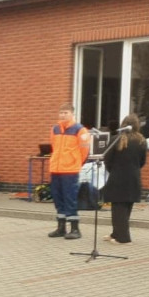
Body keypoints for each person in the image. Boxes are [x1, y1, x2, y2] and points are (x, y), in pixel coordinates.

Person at [47, 102, 90, 239]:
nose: (63, 115)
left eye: (66, 112)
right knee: (57, 197)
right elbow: (54, 146)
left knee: (70, 198)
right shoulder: (55, 129)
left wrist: (75, 162)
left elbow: (84, 150)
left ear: (72, 114)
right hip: (56, 168)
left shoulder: (80, 130)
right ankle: (61, 227)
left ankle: (75, 228)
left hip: (70, 170)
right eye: (61, 113)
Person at [101, 113, 146, 245]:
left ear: (123, 125)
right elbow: (142, 161)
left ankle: (123, 238)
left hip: (118, 177)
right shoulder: (142, 141)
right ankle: (116, 233)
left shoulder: (116, 139)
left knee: (118, 208)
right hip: (133, 178)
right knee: (127, 207)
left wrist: (113, 170)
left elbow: (107, 159)